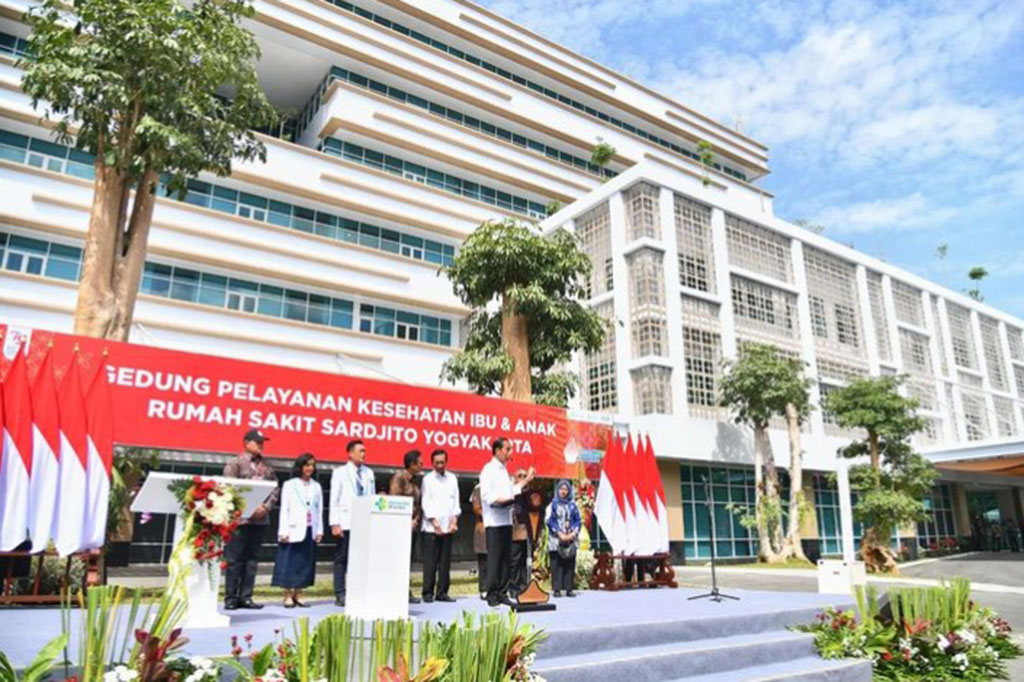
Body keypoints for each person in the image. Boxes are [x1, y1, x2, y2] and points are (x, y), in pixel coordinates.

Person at [222, 428, 279, 611]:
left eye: (262, 442)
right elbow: (229, 488)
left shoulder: (267, 465)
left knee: (252, 559)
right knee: (234, 559)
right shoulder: (235, 463)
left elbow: (275, 488)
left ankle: (246, 597)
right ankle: (231, 598)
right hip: (240, 520)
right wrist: (248, 507)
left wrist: (265, 507)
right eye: (257, 442)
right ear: (246, 443)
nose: (261, 445)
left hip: (260, 520)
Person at [480, 437, 534, 607]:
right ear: (497, 451)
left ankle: (502, 592)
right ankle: (491, 594)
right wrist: (504, 500)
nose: (510, 452)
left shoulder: (504, 470)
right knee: (495, 559)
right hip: (494, 521)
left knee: (505, 560)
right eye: (507, 449)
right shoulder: (488, 469)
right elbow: (487, 496)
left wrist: (526, 481)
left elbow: (512, 491)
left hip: (506, 520)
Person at [272, 453, 323, 608]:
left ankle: (299, 593)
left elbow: (319, 509)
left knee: (305, 562)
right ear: (300, 466)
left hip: (310, 528)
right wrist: (283, 531)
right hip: (293, 529)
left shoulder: (316, 486)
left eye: (312, 465)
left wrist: (319, 530)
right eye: (307, 465)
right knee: (290, 562)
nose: (310, 468)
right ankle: (288, 594)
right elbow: (284, 509)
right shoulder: (290, 484)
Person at [329, 439, 376, 607]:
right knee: (342, 558)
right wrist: (335, 523)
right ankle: (340, 593)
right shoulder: (340, 473)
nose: (364, 454)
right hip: (346, 521)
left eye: (364, 451)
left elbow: (372, 497)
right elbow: (334, 499)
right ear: (350, 453)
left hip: (363, 522)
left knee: (360, 559)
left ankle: (357, 591)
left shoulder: (369, 473)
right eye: (360, 451)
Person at [420, 449, 460, 603]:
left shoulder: (452, 478)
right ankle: (427, 592)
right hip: (431, 528)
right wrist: (435, 523)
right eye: (437, 462)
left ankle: (442, 592)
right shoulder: (427, 479)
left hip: (448, 527)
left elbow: (455, 501)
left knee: (445, 562)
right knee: (430, 562)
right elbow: (426, 503)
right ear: (432, 463)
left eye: (442, 462)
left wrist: (454, 520)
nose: (440, 465)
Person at [389, 449, 424, 604]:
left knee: (407, 560)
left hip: (413, 527)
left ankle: (405, 591)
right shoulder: (399, 478)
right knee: (398, 560)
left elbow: (417, 504)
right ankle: (396, 591)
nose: (422, 465)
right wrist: (405, 521)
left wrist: (416, 519)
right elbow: (394, 502)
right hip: (399, 527)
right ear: (412, 464)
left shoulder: (416, 481)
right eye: (420, 462)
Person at [546, 479, 581, 598]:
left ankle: (569, 589)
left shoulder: (573, 505)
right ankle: (557, 589)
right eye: (561, 489)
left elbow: (577, 520)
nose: (563, 491)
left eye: (566, 489)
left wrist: (573, 533)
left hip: (570, 539)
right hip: (556, 540)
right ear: (558, 490)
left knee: (569, 564)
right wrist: (559, 533)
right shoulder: (553, 504)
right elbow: (550, 520)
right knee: (557, 564)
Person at [508, 469, 530, 600]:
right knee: (514, 562)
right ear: (515, 478)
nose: (522, 478)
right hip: (514, 532)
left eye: (525, 476)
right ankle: (514, 588)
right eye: (519, 476)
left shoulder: (529, 494)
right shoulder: (511, 491)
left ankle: (524, 587)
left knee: (524, 561)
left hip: (527, 533)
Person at [469, 483, 487, 600]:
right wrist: (491, 515)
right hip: (483, 529)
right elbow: (476, 509)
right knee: (484, 562)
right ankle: (484, 589)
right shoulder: (479, 488)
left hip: (498, 530)